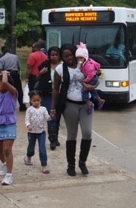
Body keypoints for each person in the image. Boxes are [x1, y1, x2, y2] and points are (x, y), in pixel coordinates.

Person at [51, 44, 98, 176]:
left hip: (86, 104)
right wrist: (53, 108)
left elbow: (96, 78)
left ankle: (82, 162)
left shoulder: (84, 64)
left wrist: (92, 87)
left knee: (87, 133)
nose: (69, 58)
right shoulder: (60, 69)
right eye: (65, 56)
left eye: (71, 55)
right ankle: (71, 164)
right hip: (69, 104)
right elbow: (55, 89)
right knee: (72, 135)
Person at [36, 46, 62, 150]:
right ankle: (52, 140)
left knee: (58, 116)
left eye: (56, 55)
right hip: (47, 94)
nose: (54, 57)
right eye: (52, 55)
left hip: (60, 95)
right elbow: (37, 77)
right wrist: (41, 73)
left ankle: (55, 137)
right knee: (51, 115)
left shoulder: (63, 66)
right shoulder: (45, 65)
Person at [24, 90, 55, 174]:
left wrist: (51, 117)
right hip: (32, 133)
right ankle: (28, 157)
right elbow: (26, 119)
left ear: (40, 100)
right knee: (31, 147)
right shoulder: (29, 110)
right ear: (30, 101)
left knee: (42, 149)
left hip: (41, 132)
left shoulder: (43, 109)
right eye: (34, 101)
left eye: (38, 100)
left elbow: (47, 118)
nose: (36, 102)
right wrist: (28, 125)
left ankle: (44, 165)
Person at [75, 42, 105, 114]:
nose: (79, 59)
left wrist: (85, 81)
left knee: (84, 91)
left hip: (92, 78)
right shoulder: (84, 63)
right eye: (78, 58)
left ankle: (89, 103)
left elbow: (91, 74)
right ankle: (99, 100)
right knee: (91, 90)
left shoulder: (88, 65)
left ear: (85, 57)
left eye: (81, 57)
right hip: (92, 78)